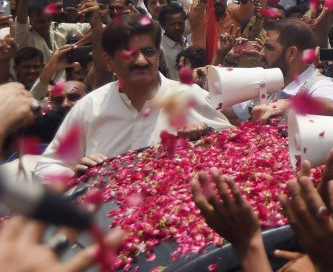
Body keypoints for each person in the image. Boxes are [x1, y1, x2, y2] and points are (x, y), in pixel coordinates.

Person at [35, 14, 231, 182]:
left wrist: (207, 136)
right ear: (109, 62)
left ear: (158, 55)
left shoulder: (190, 97)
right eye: (129, 53)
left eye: (148, 52)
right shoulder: (90, 107)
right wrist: (73, 174)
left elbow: (236, 149)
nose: (140, 61)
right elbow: (47, 166)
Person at [235, 18, 333, 122]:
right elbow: (227, 108)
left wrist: (287, 105)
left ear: (291, 53)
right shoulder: (272, 84)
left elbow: (332, 108)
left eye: (269, 48)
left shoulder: (321, 85)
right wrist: (227, 58)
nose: (262, 53)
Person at [158, 2, 190, 76]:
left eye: (180, 23)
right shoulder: (160, 48)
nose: (177, 27)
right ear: (163, 25)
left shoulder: (187, 42)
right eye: (172, 24)